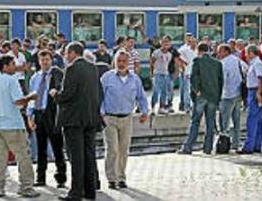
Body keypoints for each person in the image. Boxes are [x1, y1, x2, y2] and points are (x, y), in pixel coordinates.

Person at [51, 42, 103, 201]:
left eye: (66, 53)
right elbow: (97, 93)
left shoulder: (72, 69)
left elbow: (67, 94)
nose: (65, 56)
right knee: (89, 155)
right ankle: (90, 191)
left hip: (73, 120)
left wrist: (55, 94)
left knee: (76, 157)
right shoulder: (93, 68)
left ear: (73, 53)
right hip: (90, 118)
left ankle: (75, 193)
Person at [0, 55, 40, 198]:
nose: (15, 66)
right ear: (5, 66)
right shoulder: (12, 80)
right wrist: (31, 97)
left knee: (0, 158)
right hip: (13, 124)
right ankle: (26, 187)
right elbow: (18, 102)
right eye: (12, 64)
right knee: (23, 156)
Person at [100, 51, 148, 190]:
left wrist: (144, 111)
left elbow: (141, 96)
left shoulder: (135, 79)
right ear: (114, 62)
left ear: (128, 63)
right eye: (118, 61)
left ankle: (121, 177)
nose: (121, 64)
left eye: (124, 61)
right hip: (109, 118)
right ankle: (112, 178)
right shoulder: (107, 78)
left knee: (123, 149)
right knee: (112, 149)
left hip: (127, 118)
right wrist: (101, 113)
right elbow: (100, 96)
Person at [27, 49, 67, 188]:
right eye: (42, 60)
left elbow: (61, 88)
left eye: (47, 60)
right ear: (39, 61)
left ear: (51, 60)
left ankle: (61, 178)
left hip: (51, 114)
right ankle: (41, 178)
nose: (44, 62)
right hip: (39, 114)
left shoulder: (56, 74)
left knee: (57, 147)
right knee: (41, 148)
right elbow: (31, 98)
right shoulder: (35, 77)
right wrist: (30, 115)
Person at [177, 43, 223, 155]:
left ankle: (188, 147)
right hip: (213, 97)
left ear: (199, 50)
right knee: (210, 123)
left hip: (201, 96)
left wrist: (196, 91)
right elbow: (221, 81)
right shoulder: (217, 63)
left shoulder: (197, 61)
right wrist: (218, 96)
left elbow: (193, 78)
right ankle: (207, 148)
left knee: (195, 122)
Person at [238, 45, 262, 154]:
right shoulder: (254, 63)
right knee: (258, 120)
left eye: (246, 53)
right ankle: (257, 145)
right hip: (253, 91)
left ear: (252, 53)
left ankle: (249, 146)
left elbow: (261, 78)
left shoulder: (257, 63)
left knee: (252, 120)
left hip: (254, 91)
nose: (245, 55)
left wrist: (259, 93)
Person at [217, 44, 243, 150]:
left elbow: (222, 80)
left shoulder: (223, 63)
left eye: (220, 51)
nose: (218, 54)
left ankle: (224, 144)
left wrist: (218, 95)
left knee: (224, 121)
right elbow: (244, 70)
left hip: (227, 95)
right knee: (236, 121)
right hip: (238, 93)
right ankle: (236, 144)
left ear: (226, 52)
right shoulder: (237, 60)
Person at [150, 37, 172, 115]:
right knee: (156, 91)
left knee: (164, 92)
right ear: (161, 43)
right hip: (157, 74)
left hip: (166, 74)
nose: (166, 43)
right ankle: (152, 108)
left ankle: (161, 108)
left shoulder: (169, 54)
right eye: (164, 42)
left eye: (168, 42)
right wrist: (152, 73)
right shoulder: (156, 52)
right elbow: (152, 63)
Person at [178, 36, 197, 113]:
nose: (194, 43)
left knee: (194, 91)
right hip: (188, 73)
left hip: (196, 74)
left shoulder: (197, 51)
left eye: (195, 42)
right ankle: (187, 107)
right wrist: (183, 67)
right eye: (191, 42)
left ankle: (193, 106)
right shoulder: (185, 50)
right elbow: (178, 57)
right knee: (187, 91)